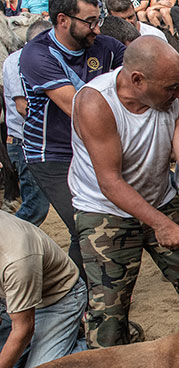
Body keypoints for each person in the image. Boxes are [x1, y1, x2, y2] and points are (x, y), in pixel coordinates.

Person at [67, 36, 179, 349]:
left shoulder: (178, 99)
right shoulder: (96, 103)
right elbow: (110, 181)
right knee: (109, 311)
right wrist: (160, 223)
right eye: (170, 87)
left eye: (178, 85)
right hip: (104, 209)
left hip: (159, 198)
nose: (178, 93)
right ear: (138, 80)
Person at [19, 0, 126, 281]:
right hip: (53, 155)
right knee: (83, 224)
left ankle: (85, 292)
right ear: (63, 20)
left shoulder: (106, 46)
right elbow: (77, 107)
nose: (97, 28)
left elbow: (140, 80)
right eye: (89, 21)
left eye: (98, 20)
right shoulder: (37, 54)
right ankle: (77, 297)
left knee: (102, 221)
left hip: (94, 147)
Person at [0, 211, 87, 368]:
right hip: (10, 300)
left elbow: (23, 329)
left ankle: (97, 340)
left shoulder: (16, 260)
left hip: (57, 300)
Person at [2, 20, 52, 226]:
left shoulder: (44, 58)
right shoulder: (16, 61)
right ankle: (9, 241)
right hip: (25, 143)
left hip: (38, 141)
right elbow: (23, 108)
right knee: (35, 207)